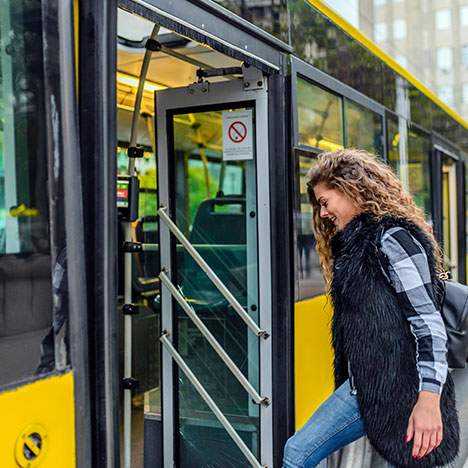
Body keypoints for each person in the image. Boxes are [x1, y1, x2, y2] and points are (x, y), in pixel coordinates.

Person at [282, 149, 460, 468]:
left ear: (351, 188)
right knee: (299, 452)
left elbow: (428, 325)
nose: (322, 214)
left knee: (299, 453)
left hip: (400, 388)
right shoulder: (358, 246)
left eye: (325, 201)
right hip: (367, 386)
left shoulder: (392, 239)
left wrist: (430, 400)